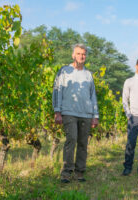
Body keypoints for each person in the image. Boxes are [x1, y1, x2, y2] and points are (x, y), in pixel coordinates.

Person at [52, 43, 99, 183]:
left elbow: (93, 96)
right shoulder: (64, 71)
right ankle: (66, 172)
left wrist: (95, 116)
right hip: (68, 112)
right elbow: (57, 90)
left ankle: (79, 172)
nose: (81, 56)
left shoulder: (88, 75)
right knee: (71, 139)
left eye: (83, 54)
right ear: (73, 55)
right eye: (78, 53)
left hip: (86, 114)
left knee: (83, 143)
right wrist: (57, 111)